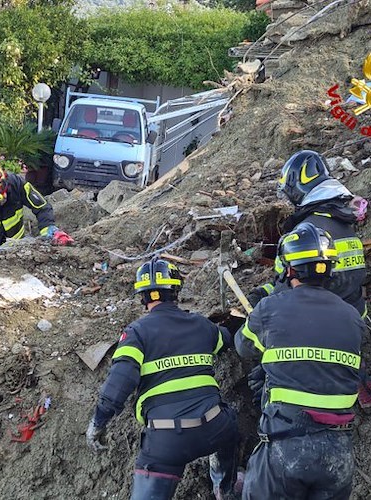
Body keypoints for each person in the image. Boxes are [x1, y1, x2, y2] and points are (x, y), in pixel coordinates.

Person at [86, 257, 242, 500]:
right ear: (176, 291)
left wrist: (97, 423)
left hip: (166, 441)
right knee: (230, 425)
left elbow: (119, 383)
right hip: (214, 428)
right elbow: (226, 340)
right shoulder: (201, 325)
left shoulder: (136, 332)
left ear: (143, 296)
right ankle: (224, 488)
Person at [236, 222, 364, 499]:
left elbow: (244, 347)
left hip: (286, 445)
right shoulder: (352, 315)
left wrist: (262, 303)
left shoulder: (271, 307)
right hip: (339, 452)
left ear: (288, 268)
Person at [248, 150, 366, 317]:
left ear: (296, 188)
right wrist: (266, 289)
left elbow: (289, 288)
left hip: (319, 323)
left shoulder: (307, 234)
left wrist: (264, 298)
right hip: (356, 319)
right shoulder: (344, 222)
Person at [0, 163, 74, 246]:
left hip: (19, 244)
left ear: (5, 180)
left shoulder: (17, 184)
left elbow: (41, 207)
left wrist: (48, 229)